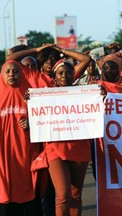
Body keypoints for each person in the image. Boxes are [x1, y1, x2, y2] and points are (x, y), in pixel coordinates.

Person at [0, 60, 43, 216]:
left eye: (15, 71)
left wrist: (32, 122)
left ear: (21, 74)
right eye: (8, 72)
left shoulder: (30, 95)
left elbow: (43, 121)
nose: (11, 74)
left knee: (30, 196)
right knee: (5, 198)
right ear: (2, 75)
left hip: (26, 156)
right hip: (2, 157)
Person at [42, 54, 91, 215]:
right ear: (54, 76)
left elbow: (86, 58)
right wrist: (30, 101)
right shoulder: (44, 95)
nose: (64, 76)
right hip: (55, 149)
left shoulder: (84, 93)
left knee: (75, 195)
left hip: (79, 147)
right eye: (60, 73)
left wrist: (101, 97)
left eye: (68, 72)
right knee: (63, 195)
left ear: (74, 75)